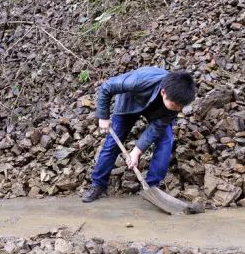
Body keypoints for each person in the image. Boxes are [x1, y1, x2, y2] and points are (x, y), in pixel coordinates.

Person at [82, 66, 196, 203]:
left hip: (158, 112)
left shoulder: (176, 100)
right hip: (128, 104)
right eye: (175, 105)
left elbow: (156, 128)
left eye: (181, 106)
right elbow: (107, 87)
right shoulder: (138, 80)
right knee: (112, 143)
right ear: (164, 92)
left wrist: (136, 152)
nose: (178, 109)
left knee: (166, 141)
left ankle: (152, 187)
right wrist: (103, 116)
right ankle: (98, 184)